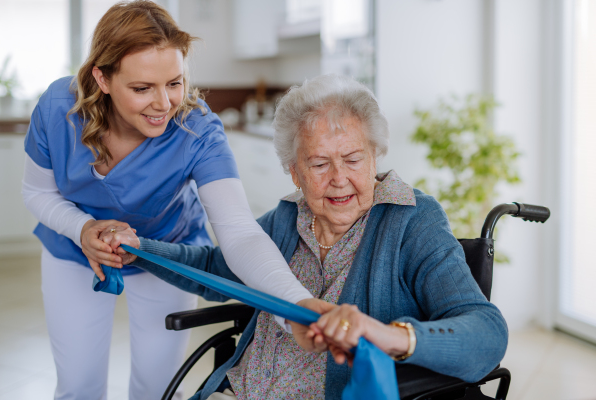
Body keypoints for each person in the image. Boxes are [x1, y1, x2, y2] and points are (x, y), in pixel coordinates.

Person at [104, 74, 509, 400]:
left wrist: (388, 336)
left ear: (375, 156)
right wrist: (140, 251)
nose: (338, 179)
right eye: (318, 163)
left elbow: (486, 332)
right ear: (294, 172)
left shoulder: (411, 223)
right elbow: (215, 266)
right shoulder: (286, 217)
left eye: (352, 159)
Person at [21, 2, 318, 399]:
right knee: (77, 386)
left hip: (166, 253)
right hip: (72, 251)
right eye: (142, 88)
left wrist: (296, 303)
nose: (163, 104)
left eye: (174, 82)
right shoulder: (59, 109)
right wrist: (83, 228)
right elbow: (37, 191)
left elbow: (239, 232)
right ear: (102, 79)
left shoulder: (198, 130)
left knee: (159, 388)